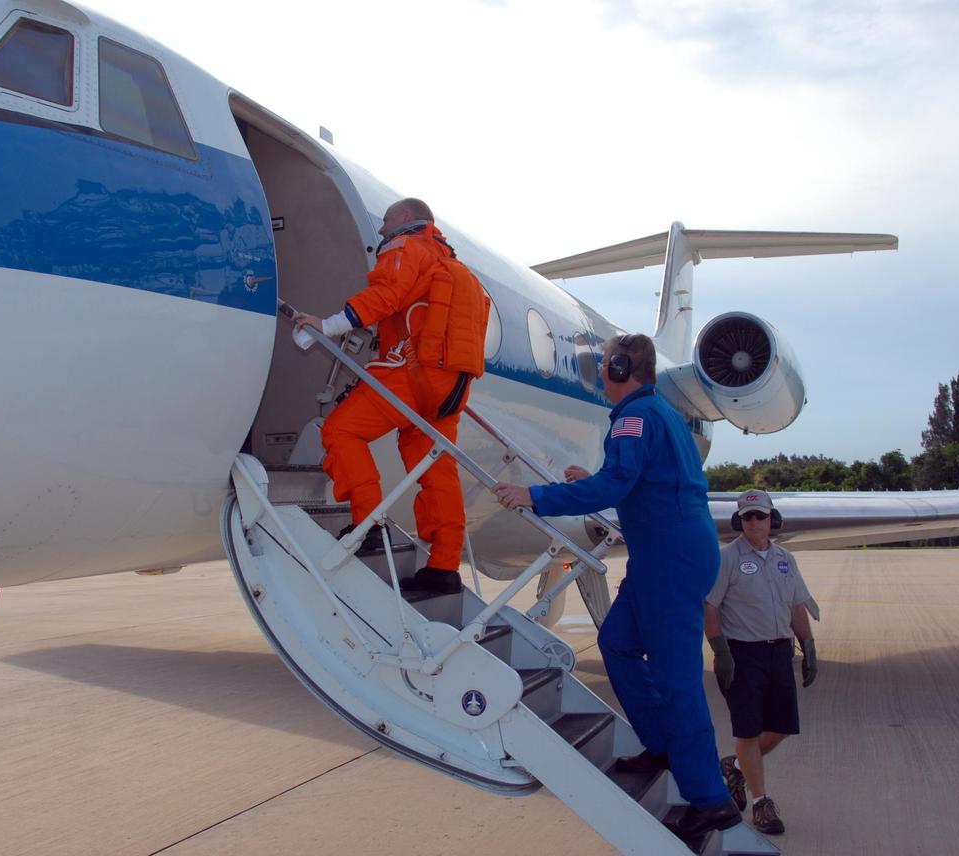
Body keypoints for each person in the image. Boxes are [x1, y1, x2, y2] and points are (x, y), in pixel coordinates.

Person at [491, 333, 741, 843]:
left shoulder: (634, 417)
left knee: (677, 679)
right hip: (664, 550)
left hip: (670, 555)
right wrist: (596, 477)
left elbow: (614, 488)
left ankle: (711, 800)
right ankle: (662, 743)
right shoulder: (653, 414)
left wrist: (533, 496)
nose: (598, 372)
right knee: (618, 643)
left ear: (625, 367)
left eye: (603, 364)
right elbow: (628, 478)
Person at [293, 198, 489, 595]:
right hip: (451, 388)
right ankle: (444, 568)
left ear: (404, 219)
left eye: (385, 222)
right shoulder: (457, 270)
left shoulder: (406, 248)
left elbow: (386, 295)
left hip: (412, 374)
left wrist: (327, 325)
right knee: (435, 472)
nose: (381, 231)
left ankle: (369, 525)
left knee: (340, 431)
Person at [705, 489, 818, 835]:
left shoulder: (785, 558)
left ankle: (736, 767)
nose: (754, 522)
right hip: (743, 654)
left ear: (772, 519)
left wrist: (808, 644)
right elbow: (710, 606)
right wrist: (721, 651)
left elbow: (797, 605)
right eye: (748, 517)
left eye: (761, 515)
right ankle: (760, 802)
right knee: (748, 729)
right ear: (740, 521)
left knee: (782, 726)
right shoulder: (726, 558)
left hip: (780, 651)